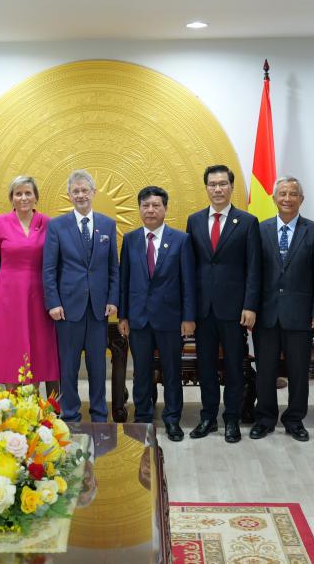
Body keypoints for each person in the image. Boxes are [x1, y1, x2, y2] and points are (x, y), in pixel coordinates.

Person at [185, 165, 260, 444]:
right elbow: (189, 268)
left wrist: (250, 305)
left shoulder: (247, 221)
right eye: (212, 184)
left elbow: (254, 268)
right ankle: (207, 417)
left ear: (231, 187)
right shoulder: (194, 221)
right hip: (203, 310)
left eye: (223, 184)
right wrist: (189, 310)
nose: (218, 189)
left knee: (233, 366)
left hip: (234, 309)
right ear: (206, 188)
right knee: (205, 366)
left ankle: (232, 419)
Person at [251, 176, 314, 442]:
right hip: (266, 314)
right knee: (265, 371)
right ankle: (265, 417)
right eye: (282, 193)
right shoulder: (259, 230)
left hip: (301, 315)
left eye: (293, 194)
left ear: (301, 199)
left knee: (298, 371)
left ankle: (295, 419)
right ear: (274, 199)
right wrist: (250, 308)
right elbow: (253, 274)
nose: (287, 198)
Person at [118, 186, 196, 441]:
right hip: (138, 318)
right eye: (145, 205)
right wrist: (123, 316)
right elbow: (124, 280)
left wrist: (188, 318)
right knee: (141, 371)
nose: (150, 210)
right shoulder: (129, 240)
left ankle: (172, 419)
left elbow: (188, 282)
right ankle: (142, 418)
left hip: (170, 318)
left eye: (156, 205)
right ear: (139, 209)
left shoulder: (181, 240)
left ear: (165, 209)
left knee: (172, 371)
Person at [43, 170, 120, 423]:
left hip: (98, 309)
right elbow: (49, 268)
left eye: (84, 190)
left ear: (93, 193)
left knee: (98, 366)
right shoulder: (56, 226)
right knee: (69, 367)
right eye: (75, 191)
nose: (80, 195)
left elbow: (113, 268)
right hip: (67, 308)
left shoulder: (108, 224)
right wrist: (53, 302)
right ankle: (70, 414)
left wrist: (112, 299)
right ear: (69, 195)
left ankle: (99, 414)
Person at [0, 176, 58, 389]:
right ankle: (14, 405)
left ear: (36, 197)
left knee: (38, 345)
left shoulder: (48, 223)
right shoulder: (0, 222)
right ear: (11, 198)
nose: (23, 198)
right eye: (18, 193)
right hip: (8, 294)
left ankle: (35, 406)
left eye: (28, 193)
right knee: (11, 346)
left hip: (39, 294)